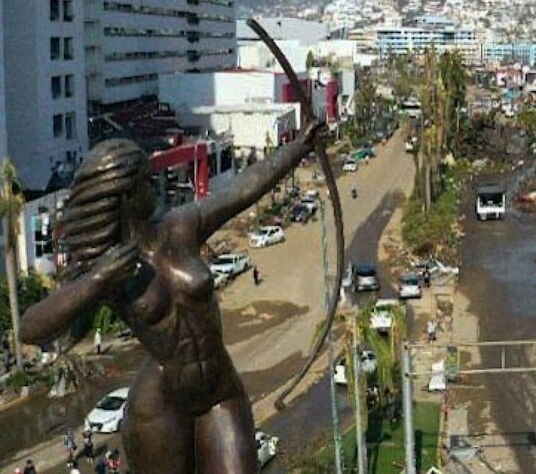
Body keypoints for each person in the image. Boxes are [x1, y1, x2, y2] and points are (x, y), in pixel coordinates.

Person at [18, 122, 328, 473]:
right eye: (146, 181)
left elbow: (243, 190)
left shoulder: (181, 227)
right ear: (127, 195)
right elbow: (31, 329)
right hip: (161, 404)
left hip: (220, 390)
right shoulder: (109, 269)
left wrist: (299, 147)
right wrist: (97, 280)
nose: (155, 186)